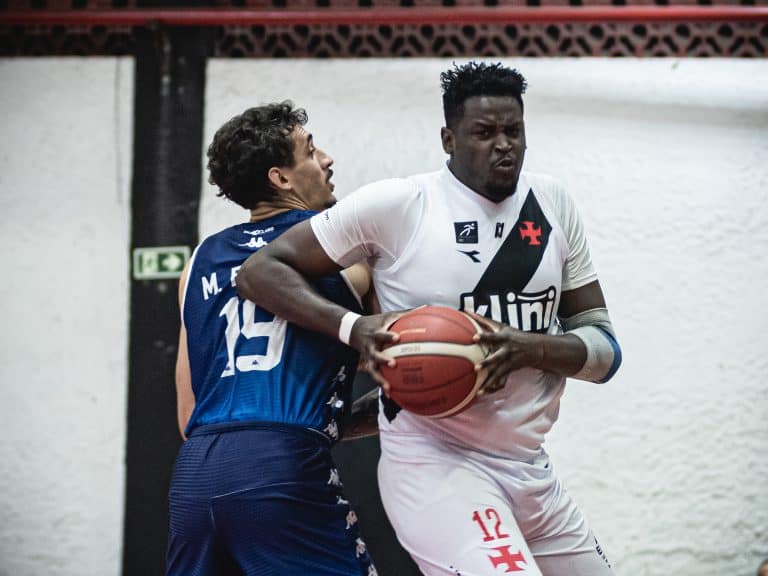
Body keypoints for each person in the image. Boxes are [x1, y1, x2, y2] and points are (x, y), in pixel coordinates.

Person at [236, 62, 623, 576]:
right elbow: (260, 272)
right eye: (484, 133)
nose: (503, 145)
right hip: (437, 465)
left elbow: (604, 352)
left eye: (514, 131)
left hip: (531, 468)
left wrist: (529, 347)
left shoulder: (552, 202)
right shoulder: (399, 204)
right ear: (448, 138)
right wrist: (353, 328)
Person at [167, 101, 378, 576]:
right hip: (281, 464)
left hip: (195, 473)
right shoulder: (345, 252)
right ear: (281, 178)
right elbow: (396, 356)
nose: (326, 159)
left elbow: (188, 413)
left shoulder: (198, 261)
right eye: (310, 149)